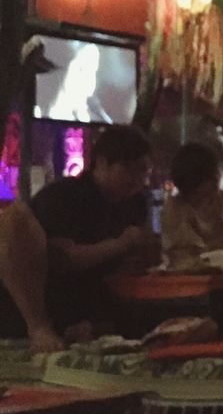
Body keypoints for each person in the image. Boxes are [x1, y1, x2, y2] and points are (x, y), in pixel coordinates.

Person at [0, 125, 156, 347]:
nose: (138, 180)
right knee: (15, 217)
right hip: (40, 300)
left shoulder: (135, 204)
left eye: (144, 173)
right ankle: (40, 330)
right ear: (102, 163)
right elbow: (61, 261)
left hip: (92, 301)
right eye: (130, 169)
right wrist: (121, 245)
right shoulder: (63, 197)